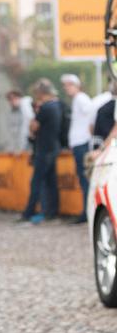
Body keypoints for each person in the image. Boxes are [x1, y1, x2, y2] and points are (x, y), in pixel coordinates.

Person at [19, 79, 62, 224]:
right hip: (54, 148)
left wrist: (34, 116)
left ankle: (28, 213)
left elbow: (33, 128)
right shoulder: (57, 106)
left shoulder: (45, 108)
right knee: (51, 182)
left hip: (43, 149)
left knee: (36, 182)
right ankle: (52, 213)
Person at [61, 73, 93, 224]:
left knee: (85, 179)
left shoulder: (81, 99)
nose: (66, 88)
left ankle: (87, 213)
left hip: (82, 143)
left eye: (69, 85)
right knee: (82, 179)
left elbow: (91, 114)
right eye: (65, 85)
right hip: (78, 143)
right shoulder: (78, 100)